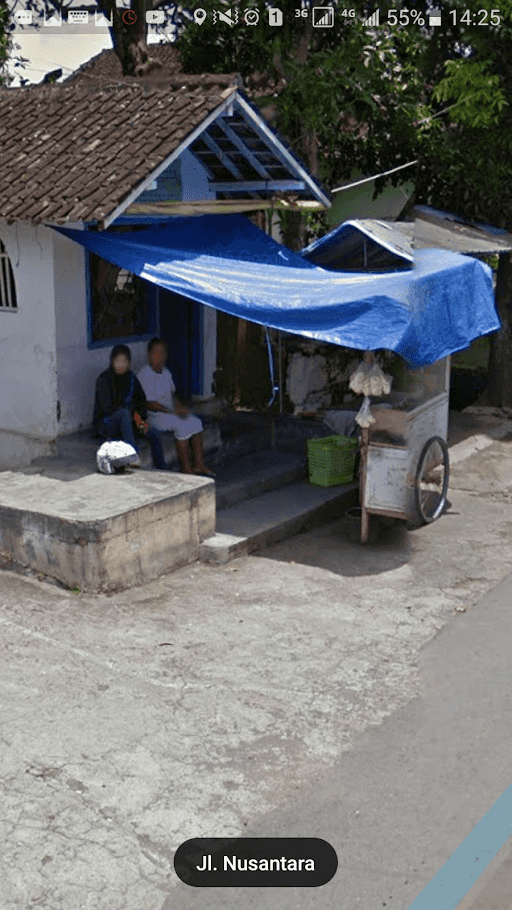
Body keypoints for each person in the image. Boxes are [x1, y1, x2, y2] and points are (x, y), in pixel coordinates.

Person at [137, 337, 216, 476]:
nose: (160, 356)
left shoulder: (166, 372)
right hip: (154, 416)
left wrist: (180, 407)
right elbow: (148, 403)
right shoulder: (144, 374)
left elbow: (172, 395)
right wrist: (171, 411)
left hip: (169, 412)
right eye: (156, 352)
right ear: (149, 355)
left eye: (162, 353)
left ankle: (199, 465)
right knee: (181, 426)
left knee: (196, 422)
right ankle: (186, 468)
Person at [93, 344, 167, 471]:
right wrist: (130, 413)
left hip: (131, 423)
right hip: (108, 424)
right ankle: (133, 456)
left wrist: (140, 418)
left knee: (153, 432)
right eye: (117, 361)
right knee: (124, 413)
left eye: (124, 361)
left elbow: (141, 401)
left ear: (129, 363)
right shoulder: (104, 379)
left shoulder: (132, 379)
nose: (120, 365)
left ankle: (163, 468)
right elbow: (107, 408)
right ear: (112, 362)